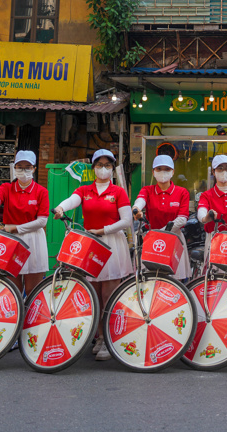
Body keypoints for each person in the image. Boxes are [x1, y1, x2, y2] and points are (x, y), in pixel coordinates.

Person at [53, 149, 133, 361]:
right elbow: (72, 200)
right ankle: (99, 337)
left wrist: (104, 230)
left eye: (108, 165)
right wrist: (60, 208)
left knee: (109, 295)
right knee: (94, 295)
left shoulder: (118, 192)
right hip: (91, 245)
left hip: (111, 244)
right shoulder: (84, 190)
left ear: (112, 168)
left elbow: (126, 221)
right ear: (93, 167)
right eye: (99, 164)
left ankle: (109, 338)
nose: (103, 169)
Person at [0, 150, 49, 296]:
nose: (23, 171)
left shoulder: (41, 191)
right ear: (14, 169)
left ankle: (33, 318)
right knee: (11, 290)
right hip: (11, 241)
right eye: (19, 166)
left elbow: (42, 221)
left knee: (33, 291)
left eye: (27, 167)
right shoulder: (7, 188)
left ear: (34, 169)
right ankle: (16, 317)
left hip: (33, 240)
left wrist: (16, 228)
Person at [133, 155, 191, 280]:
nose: (162, 172)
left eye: (166, 169)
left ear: (173, 172)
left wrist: (160, 232)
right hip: (151, 240)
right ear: (153, 172)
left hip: (174, 239)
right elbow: (140, 201)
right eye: (159, 169)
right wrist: (136, 209)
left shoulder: (182, 192)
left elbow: (182, 219)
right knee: (151, 280)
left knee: (175, 283)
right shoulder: (147, 190)